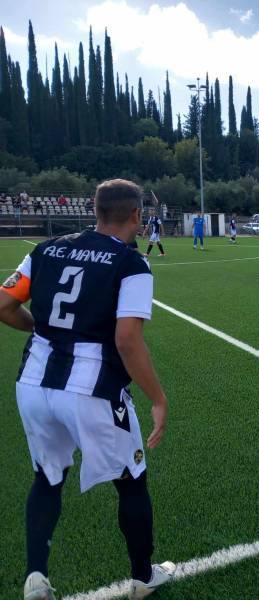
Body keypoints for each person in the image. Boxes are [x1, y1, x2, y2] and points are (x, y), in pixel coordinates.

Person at [0, 179, 174, 600]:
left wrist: (41, 330)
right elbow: (127, 340)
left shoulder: (46, 249)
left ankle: (36, 578)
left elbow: (4, 305)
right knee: (131, 480)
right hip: (91, 390)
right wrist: (158, 398)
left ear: (95, 211)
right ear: (136, 215)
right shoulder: (131, 263)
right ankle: (143, 577)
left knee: (47, 477)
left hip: (34, 383)